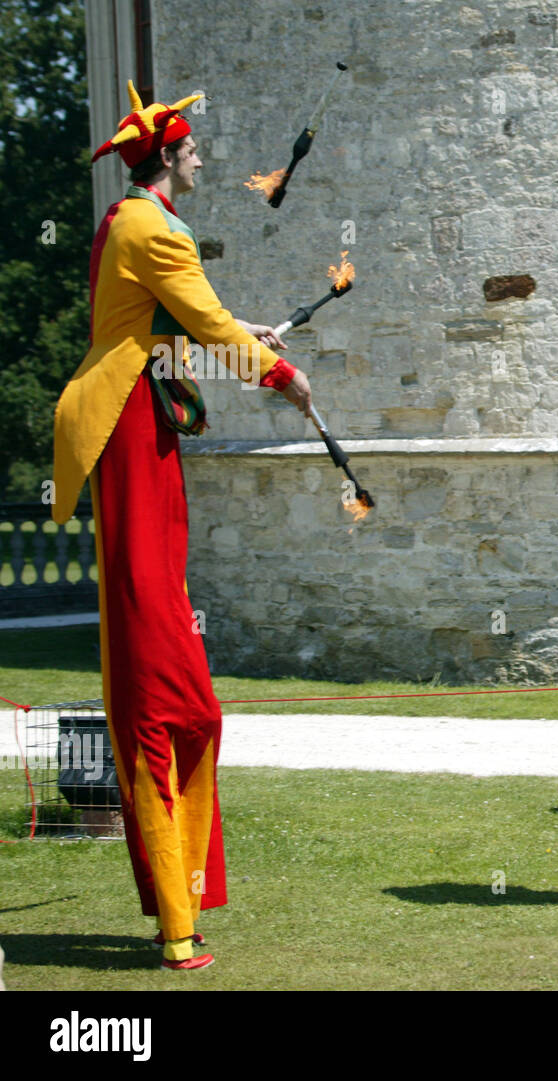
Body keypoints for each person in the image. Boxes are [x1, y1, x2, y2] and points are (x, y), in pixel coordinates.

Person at [51, 82, 312, 969]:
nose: (203, 158)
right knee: (165, 693)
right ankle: (176, 920)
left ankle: (181, 903)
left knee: (182, 691)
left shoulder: (137, 226)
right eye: (194, 149)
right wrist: (281, 375)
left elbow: (173, 324)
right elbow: (195, 318)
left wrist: (249, 329)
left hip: (144, 426)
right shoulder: (152, 227)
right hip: (127, 433)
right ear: (167, 156)